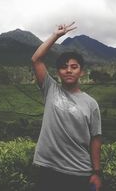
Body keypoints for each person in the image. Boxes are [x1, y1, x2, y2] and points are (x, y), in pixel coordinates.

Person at [31, 22, 102, 191]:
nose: (68, 70)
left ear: (82, 72)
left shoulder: (91, 104)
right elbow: (36, 59)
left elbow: (96, 139)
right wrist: (56, 35)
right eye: (64, 67)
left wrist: (97, 172)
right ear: (58, 73)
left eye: (74, 67)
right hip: (48, 169)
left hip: (79, 172)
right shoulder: (51, 89)